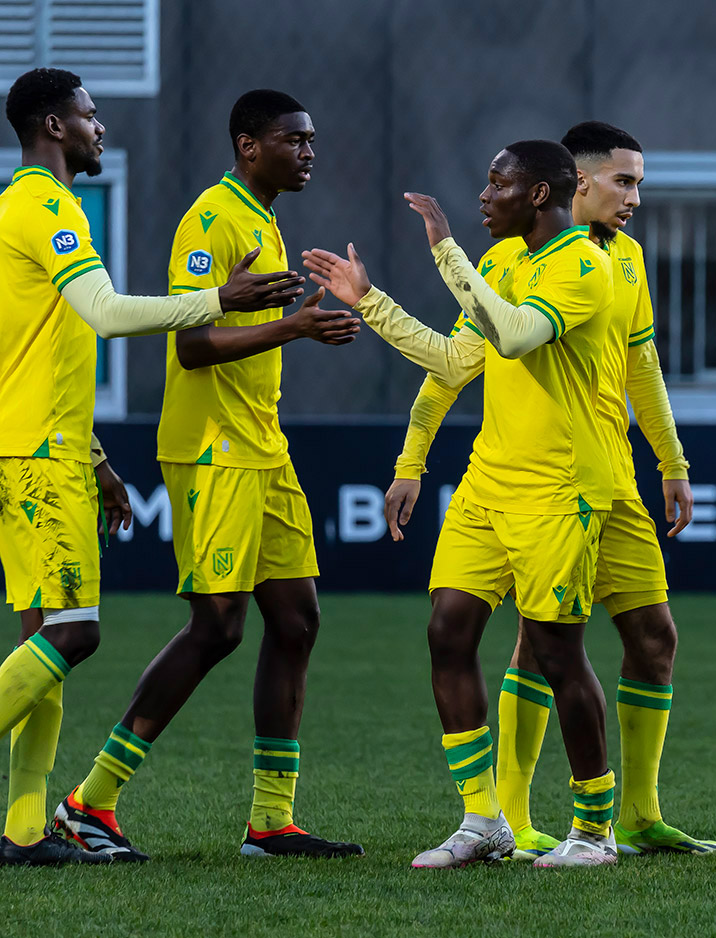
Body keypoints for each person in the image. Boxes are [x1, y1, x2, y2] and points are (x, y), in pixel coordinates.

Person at [383, 121, 716, 861]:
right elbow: (455, 363)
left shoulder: (622, 262)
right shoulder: (509, 258)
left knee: (650, 638)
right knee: (535, 646)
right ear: (577, 182)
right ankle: (508, 813)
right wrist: (412, 459)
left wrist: (672, 461)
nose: (635, 196)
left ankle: (633, 817)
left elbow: (643, 372)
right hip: (535, 483)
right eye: (624, 181)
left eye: (640, 183)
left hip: (606, 478)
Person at [0, 67, 302, 865]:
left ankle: (25, 829)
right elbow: (103, 315)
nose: (101, 128)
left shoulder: (21, 211)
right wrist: (216, 302)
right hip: (35, 455)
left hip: (50, 446)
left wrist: (96, 454)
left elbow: (36, 349)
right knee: (74, 632)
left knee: (47, 640)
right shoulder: (45, 206)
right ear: (55, 127)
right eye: (89, 117)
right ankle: (70, 812)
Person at [53, 90, 363, 861]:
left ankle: (271, 821)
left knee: (297, 620)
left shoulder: (265, 218)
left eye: (312, 138)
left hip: (264, 446)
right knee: (219, 625)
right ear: (248, 144)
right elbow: (192, 348)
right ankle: (89, 802)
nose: (309, 152)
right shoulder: (212, 219)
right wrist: (292, 326)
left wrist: (297, 324)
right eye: (294, 139)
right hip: (211, 449)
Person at [304, 139, 621, 869]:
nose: (484, 195)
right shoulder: (505, 262)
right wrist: (371, 300)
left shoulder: (583, 265)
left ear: (539, 194)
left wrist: (447, 250)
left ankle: (594, 832)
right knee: (448, 631)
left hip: (562, 489)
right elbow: (453, 361)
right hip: (489, 484)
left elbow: (513, 338)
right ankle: (484, 821)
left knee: (555, 652)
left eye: (497, 182)